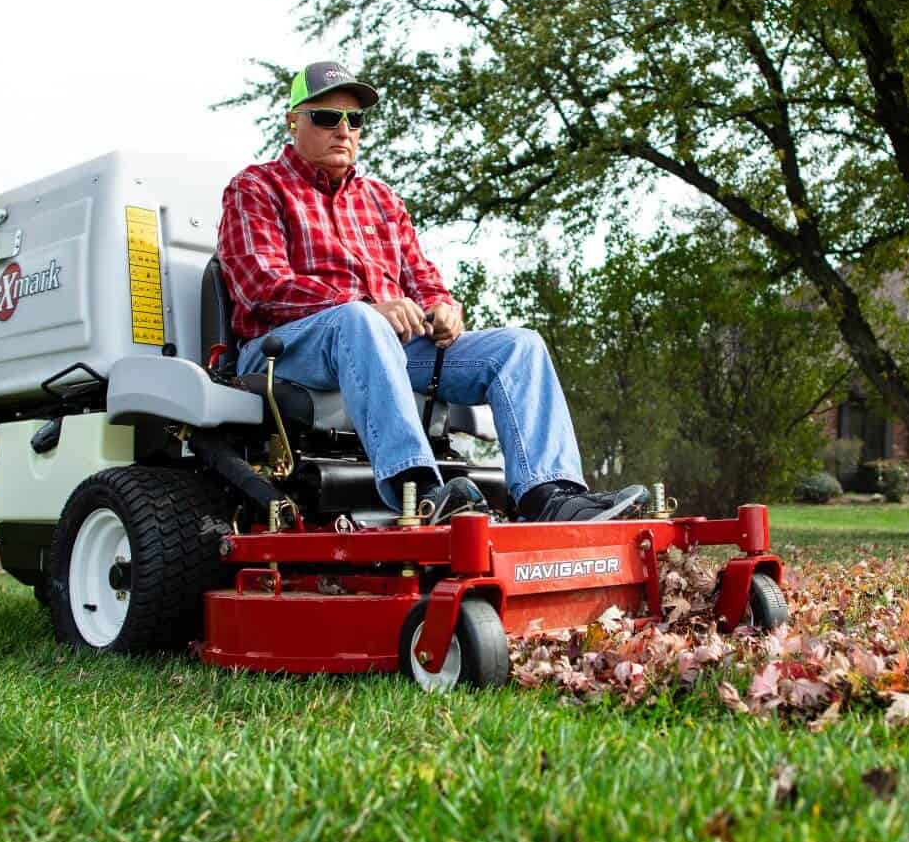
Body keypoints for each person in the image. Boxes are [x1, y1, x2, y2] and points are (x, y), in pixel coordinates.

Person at [216, 60, 645, 523]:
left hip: (384, 348)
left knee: (520, 346)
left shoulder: (382, 200)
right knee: (359, 321)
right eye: (326, 117)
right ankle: (418, 491)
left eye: (354, 120)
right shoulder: (256, 187)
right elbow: (262, 284)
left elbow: (422, 277)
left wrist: (442, 306)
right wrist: (367, 307)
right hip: (288, 351)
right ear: (294, 121)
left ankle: (550, 494)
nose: (343, 130)